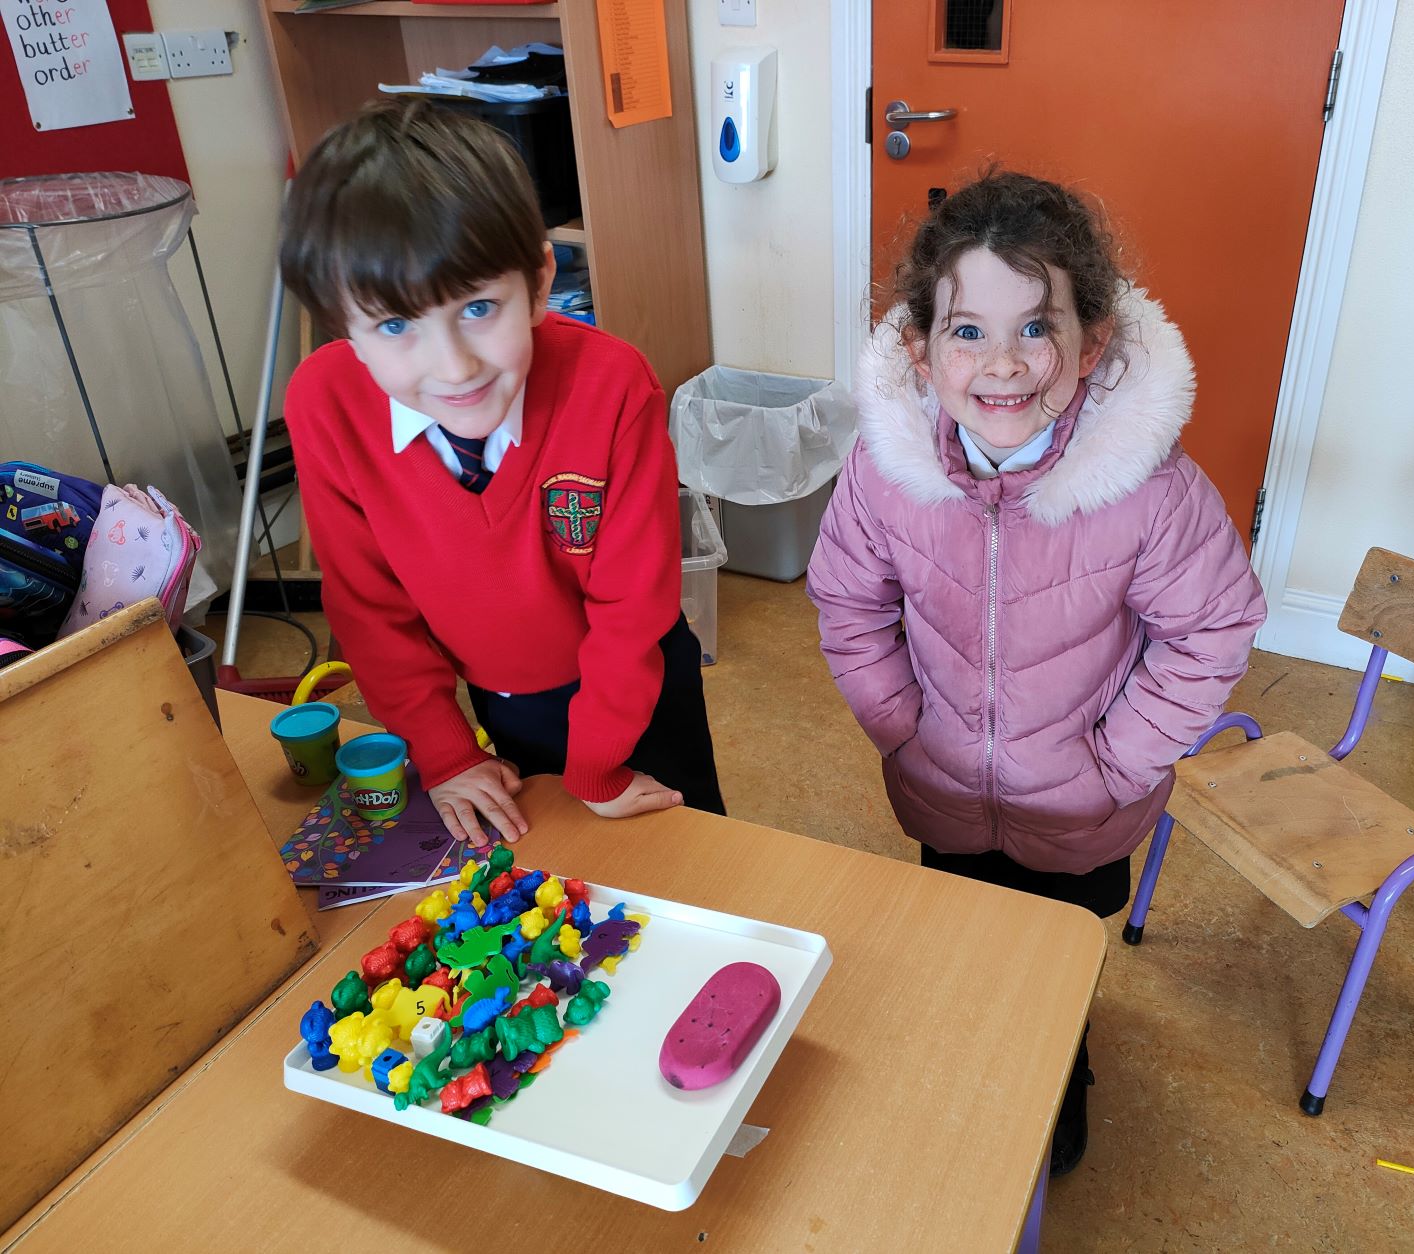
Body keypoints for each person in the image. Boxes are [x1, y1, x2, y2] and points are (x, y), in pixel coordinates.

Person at [805, 171, 1265, 1174]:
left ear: (1091, 343)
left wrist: (1117, 763)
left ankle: (1061, 1066)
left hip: (1081, 803)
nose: (1003, 363)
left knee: (1054, 961)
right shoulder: (882, 471)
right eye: (968, 331)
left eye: (1036, 328)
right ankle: (971, 1060)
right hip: (941, 785)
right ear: (921, 350)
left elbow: (1212, 630)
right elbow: (847, 601)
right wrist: (899, 726)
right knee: (962, 934)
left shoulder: (1153, 492)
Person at [279, 99, 724, 847]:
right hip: (502, 693)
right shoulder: (324, 405)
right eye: (395, 325)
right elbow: (369, 609)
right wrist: (446, 752)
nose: (454, 367)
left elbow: (632, 603)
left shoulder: (611, 385)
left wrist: (597, 766)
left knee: (689, 855)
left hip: (636, 680)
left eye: (480, 307)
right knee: (549, 860)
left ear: (540, 282)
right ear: (341, 327)